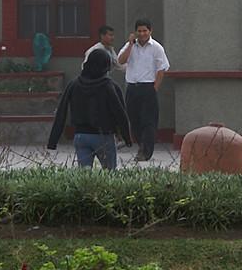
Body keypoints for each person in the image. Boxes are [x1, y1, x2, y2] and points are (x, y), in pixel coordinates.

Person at [46, 45, 132, 170]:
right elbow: (120, 113)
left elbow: (61, 112)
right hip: (103, 137)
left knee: (85, 176)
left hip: (81, 136)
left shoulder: (74, 84)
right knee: (110, 175)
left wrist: (53, 141)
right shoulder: (109, 86)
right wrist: (127, 137)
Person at [115, 18, 170, 161]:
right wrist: (130, 45)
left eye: (145, 30)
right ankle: (141, 145)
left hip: (148, 87)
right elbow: (120, 61)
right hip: (132, 87)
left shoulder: (156, 48)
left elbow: (161, 69)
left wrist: (155, 88)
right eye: (139, 31)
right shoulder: (130, 46)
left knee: (148, 121)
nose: (142, 33)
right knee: (134, 120)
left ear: (150, 31)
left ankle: (146, 151)